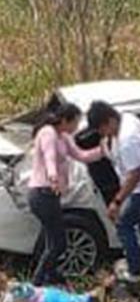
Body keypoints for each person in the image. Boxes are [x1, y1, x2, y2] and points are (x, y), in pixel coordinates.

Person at [86, 100, 140, 284]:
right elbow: (107, 147)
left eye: (101, 129)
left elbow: (135, 175)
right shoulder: (127, 118)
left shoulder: (127, 140)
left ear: (109, 121)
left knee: (124, 224)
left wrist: (117, 202)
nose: (101, 134)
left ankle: (134, 272)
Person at [27, 102, 107, 285]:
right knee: (58, 242)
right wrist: (53, 178)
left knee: (52, 239)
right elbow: (49, 159)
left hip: (52, 194)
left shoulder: (64, 136)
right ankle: (37, 282)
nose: (76, 127)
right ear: (64, 120)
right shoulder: (48, 133)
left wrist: (103, 150)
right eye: (75, 123)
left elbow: (82, 156)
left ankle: (51, 274)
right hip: (42, 192)